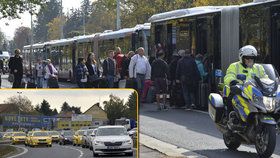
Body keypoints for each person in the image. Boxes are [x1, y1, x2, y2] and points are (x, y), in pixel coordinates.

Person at [224, 45, 267, 114]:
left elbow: (265, 78)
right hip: (239, 90)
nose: (250, 60)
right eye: (247, 58)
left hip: (254, 92)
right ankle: (230, 117)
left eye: (252, 58)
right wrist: (232, 81)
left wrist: (270, 83)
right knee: (232, 98)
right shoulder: (234, 66)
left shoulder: (259, 67)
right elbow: (229, 75)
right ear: (242, 58)